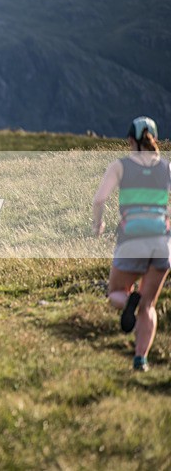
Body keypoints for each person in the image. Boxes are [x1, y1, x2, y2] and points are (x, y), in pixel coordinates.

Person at [92, 116, 170, 372]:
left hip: (131, 241)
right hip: (161, 244)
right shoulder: (166, 168)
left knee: (116, 292)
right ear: (155, 139)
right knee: (149, 305)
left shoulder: (120, 166)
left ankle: (128, 304)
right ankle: (141, 359)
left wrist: (98, 225)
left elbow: (99, 200)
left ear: (129, 140)